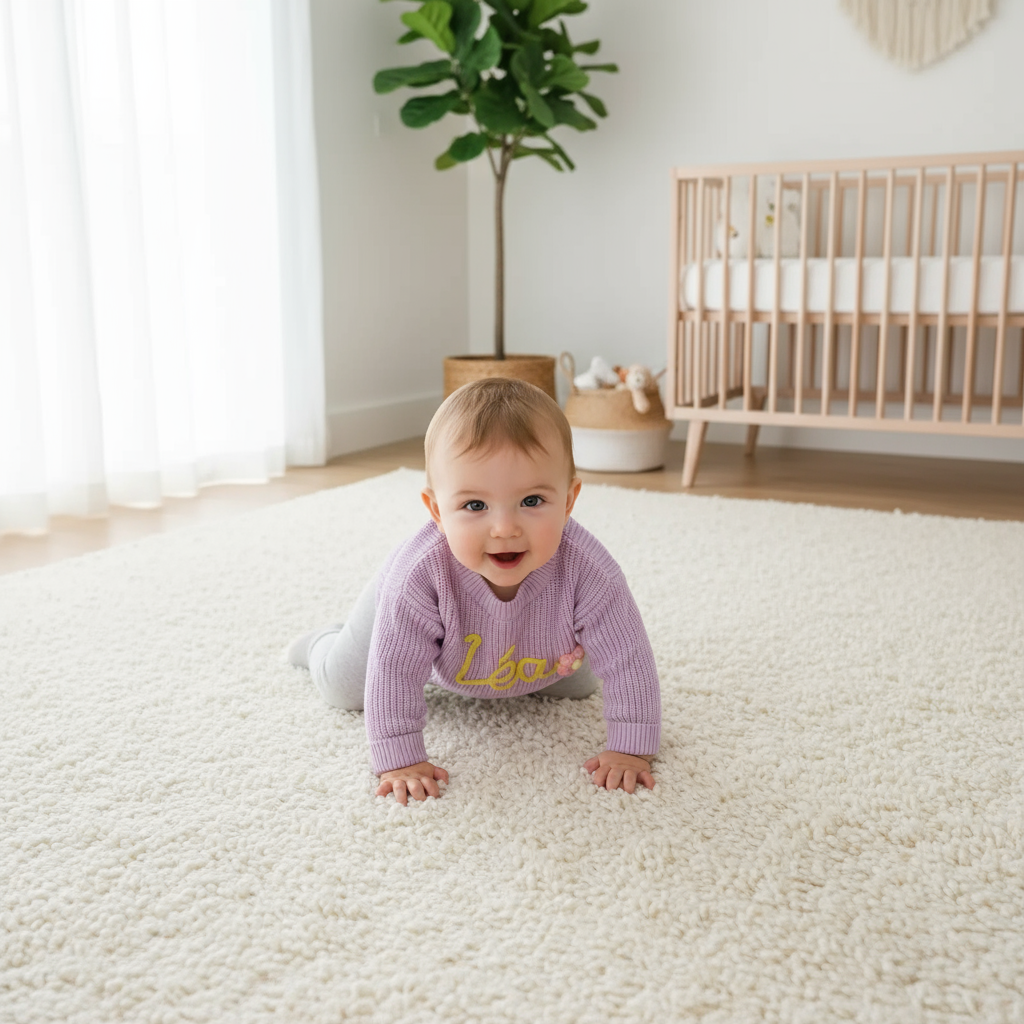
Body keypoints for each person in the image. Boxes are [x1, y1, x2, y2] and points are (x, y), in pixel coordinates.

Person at [287, 378, 661, 804]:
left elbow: (628, 657)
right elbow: (395, 671)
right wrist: (400, 759)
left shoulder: (591, 570)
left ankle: (533, 659)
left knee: (575, 685)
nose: (505, 528)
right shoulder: (418, 577)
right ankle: (322, 641)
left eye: (533, 501)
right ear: (437, 512)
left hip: (530, 642)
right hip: (410, 622)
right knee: (344, 687)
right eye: (475, 506)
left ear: (569, 500)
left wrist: (632, 748)